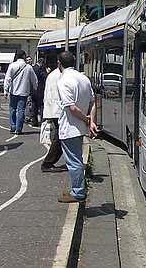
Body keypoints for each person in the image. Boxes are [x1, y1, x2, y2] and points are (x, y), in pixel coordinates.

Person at [56, 51, 97, 203]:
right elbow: (93, 102)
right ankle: (77, 189)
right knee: (77, 159)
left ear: (59, 63)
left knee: (74, 161)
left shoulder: (63, 81)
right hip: (80, 128)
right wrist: (91, 121)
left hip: (69, 127)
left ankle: (78, 192)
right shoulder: (84, 78)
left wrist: (86, 120)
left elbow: (71, 107)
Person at [4, 50, 37, 135]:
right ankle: (19, 129)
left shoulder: (12, 65)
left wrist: (6, 90)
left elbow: (7, 78)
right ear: (24, 56)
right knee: (21, 110)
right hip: (24, 92)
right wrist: (35, 87)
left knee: (12, 109)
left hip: (13, 91)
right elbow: (34, 79)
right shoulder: (28, 67)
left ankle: (13, 126)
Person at [40, 65, 65, 172]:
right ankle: (48, 162)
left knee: (60, 137)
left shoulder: (53, 75)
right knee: (60, 137)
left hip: (53, 110)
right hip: (57, 111)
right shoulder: (58, 76)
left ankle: (49, 162)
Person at [31, 58, 47, 127]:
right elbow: (44, 77)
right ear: (42, 63)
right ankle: (42, 121)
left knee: (34, 107)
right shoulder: (40, 69)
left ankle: (34, 121)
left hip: (33, 90)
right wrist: (47, 72)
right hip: (40, 90)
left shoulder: (32, 68)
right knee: (41, 107)